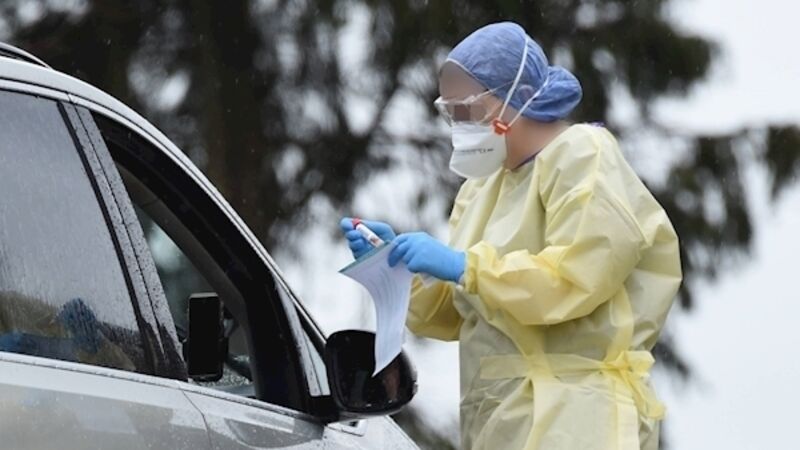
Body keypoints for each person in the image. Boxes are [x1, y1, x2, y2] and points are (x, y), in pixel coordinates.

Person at [340, 21, 681, 450]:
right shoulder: (480, 190)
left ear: (518, 96)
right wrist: (400, 269)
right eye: (450, 112)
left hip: (578, 418)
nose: (459, 123)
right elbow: (462, 312)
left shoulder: (581, 153)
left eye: (468, 108)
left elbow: (575, 278)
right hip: (499, 422)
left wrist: (466, 266)